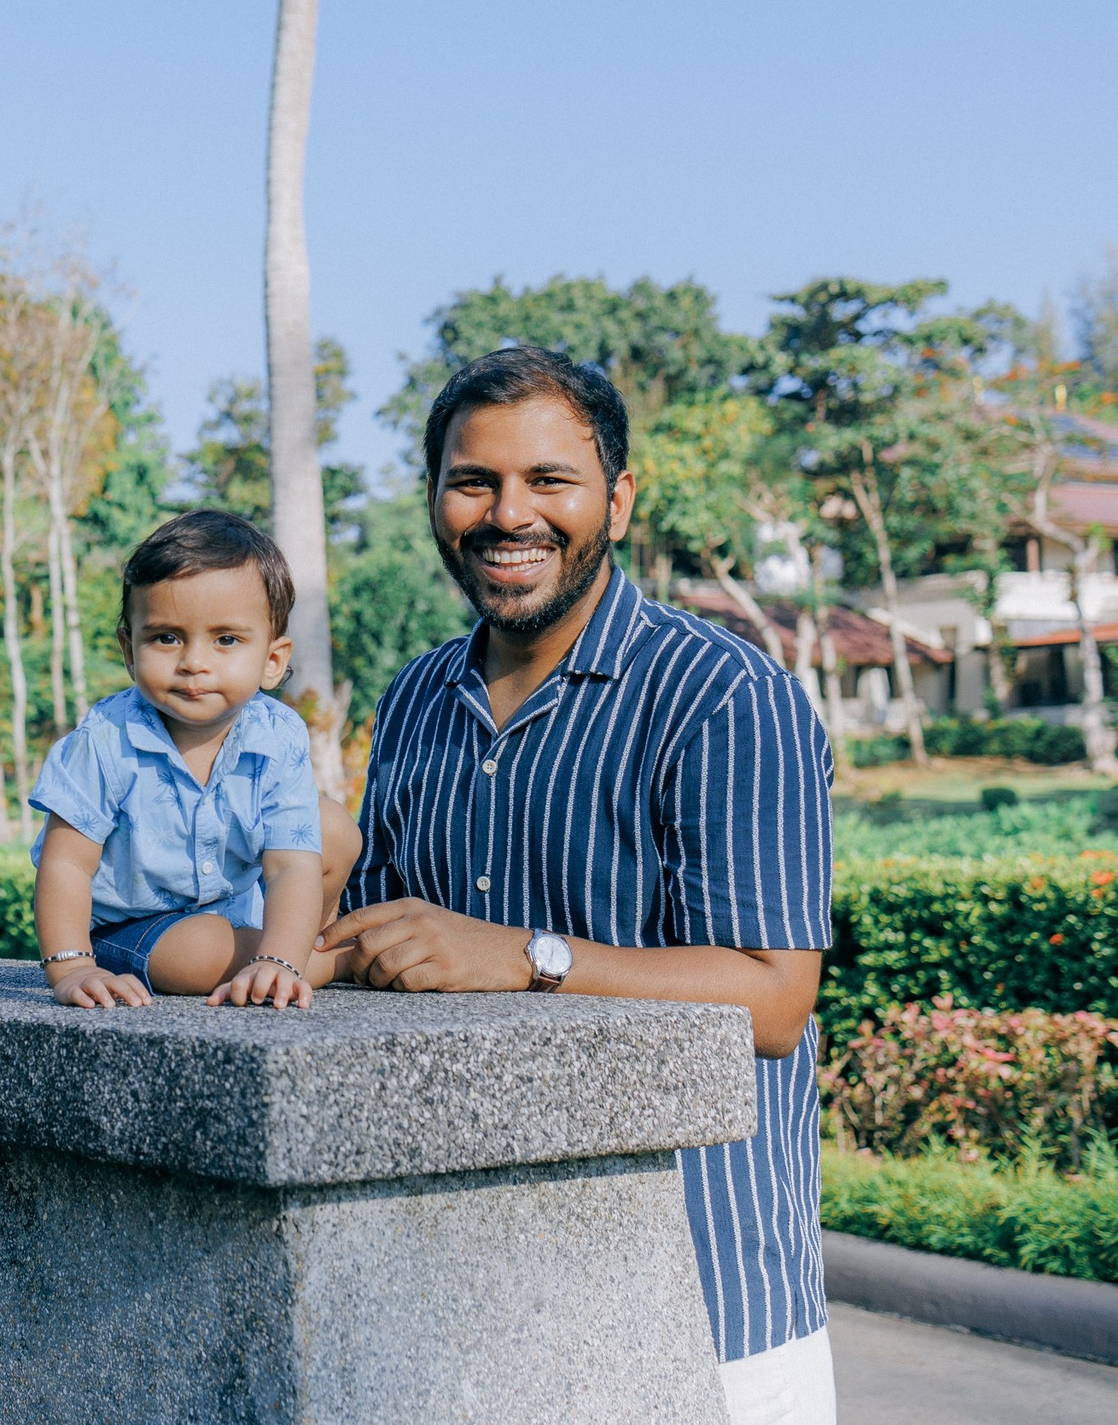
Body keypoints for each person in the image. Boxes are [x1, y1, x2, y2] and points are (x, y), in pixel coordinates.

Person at [322, 346, 835, 1425]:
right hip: (465, 1309)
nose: (509, 514)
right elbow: (376, 944)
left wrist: (523, 956)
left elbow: (774, 999)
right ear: (434, 499)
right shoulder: (416, 697)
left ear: (618, 499)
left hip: (701, 1308)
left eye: (548, 480)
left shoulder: (723, 695)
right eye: (474, 481)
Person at [28, 509, 363, 1010]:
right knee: (206, 951)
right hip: (133, 928)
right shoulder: (106, 739)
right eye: (166, 637)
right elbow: (66, 864)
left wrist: (279, 956)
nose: (193, 663)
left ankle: (285, 957)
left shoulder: (278, 734)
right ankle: (339, 960)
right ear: (130, 650)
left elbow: (291, 866)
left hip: (237, 908)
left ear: (273, 660)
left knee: (333, 827)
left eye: (226, 639)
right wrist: (73, 967)